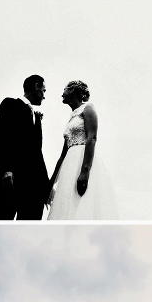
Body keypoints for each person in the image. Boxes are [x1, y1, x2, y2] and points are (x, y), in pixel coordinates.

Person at [46, 81, 118, 219]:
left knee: (82, 203)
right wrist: (51, 183)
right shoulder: (71, 118)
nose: (62, 93)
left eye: (65, 89)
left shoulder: (88, 108)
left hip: (82, 160)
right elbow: (63, 154)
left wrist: (85, 171)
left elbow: (92, 138)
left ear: (73, 90)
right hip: (69, 165)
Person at [0, 75, 50, 220]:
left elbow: (37, 152)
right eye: (44, 91)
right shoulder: (10, 104)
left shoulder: (37, 118)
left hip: (34, 185)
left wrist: (45, 187)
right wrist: (5, 170)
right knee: (2, 221)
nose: (44, 96)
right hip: (12, 179)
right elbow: (3, 138)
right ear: (36, 86)